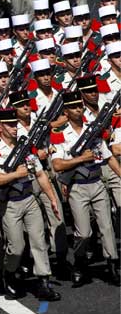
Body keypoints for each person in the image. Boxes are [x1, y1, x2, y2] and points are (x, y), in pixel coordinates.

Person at [0, 108, 62, 301]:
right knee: (16, 247)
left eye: (15, 124)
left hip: (29, 198)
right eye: (10, 124)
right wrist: (16, 174)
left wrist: (52, 198)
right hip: (9, 203)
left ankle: (44, 282)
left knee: (39, 241)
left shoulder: (25, 146)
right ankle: (9, 274)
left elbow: (40, 174)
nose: (15, 127)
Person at [50, 91, 121, 287]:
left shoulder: (92, 129)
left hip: (97, 182)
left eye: (80, 106)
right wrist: (81, 158)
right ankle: (80, 262)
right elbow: (57, 165)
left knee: (106, 227)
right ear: (65, 111)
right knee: (84, 233)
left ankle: (112, 265)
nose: (78, 109)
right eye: (73, 107)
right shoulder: (60, 133)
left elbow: (108, 157)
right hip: (77, 186)